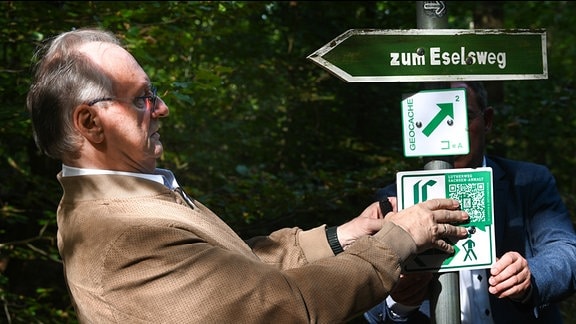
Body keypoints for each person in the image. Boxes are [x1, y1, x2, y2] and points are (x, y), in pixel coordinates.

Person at [25, 28, 470, 323]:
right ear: (89, 123)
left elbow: (237, 274)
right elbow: (285, 307)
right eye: (142, 98)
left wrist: (341, 238)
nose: (161, 108)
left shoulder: (123, 197)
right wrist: (398, 238)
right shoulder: (125, 233)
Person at [364, 81, 576, 323]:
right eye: (434, 118)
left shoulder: (528, 182)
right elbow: (370, 300)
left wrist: (530, 276)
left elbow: (566, 251)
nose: (449, 131)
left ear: (487, 121)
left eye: (463, 116)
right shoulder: (395, 200)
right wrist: (398, 301)